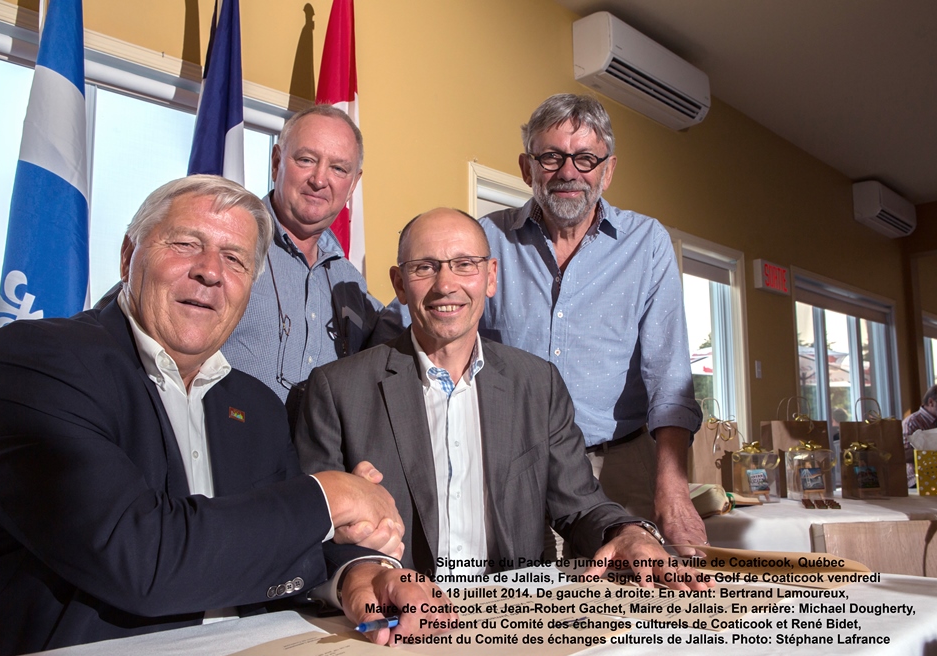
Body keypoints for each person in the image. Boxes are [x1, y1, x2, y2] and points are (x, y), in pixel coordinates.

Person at [0, 176, 445, 656]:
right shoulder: (34, 364)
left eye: (235, 259)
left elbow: (267, 538)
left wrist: (355, 574)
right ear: (127, 255)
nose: (210, 272)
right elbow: (141, 557)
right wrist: (328, 497)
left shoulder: (258, 406)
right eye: (185, 244)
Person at [297, 208, 706, 591]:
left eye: (465, 265)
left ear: (491, 277)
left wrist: (629, 533)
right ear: (400, 285)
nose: (445, 285)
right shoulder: (338, 391)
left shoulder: (537, 384)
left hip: (510, 618)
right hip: (400, 616)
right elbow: (312, 533)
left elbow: (580, 505)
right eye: (425, 267)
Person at [477, 93, 704, 552]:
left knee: (637, 614)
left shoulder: (648, 243)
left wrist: (674, 487)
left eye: (585, 158)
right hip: (509, 469)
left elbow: (669, 377)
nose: (568, 173)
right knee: (524, 611)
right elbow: (419, 322)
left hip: (618, 471)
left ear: (608, 170)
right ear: (527, 168)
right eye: (551, 157)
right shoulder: (484, 240)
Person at [222, 104, 386, 426]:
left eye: (339, 169)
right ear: (276, 162)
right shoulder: (225, 242)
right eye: (306, 160)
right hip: (224, 456)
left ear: (353, 184)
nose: (319, 179)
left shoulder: (350, 284)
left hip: (314, 469)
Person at [903, 384, 937, 487]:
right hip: (918, 480)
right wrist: (934, 451)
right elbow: (904, 455)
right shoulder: (913, 422)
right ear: (931, 402)